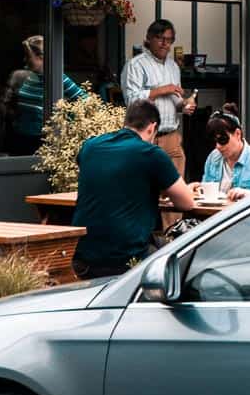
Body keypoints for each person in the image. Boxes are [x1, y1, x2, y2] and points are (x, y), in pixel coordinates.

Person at [72, 99, 196, 279]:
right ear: (152, 127)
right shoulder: (151, 153)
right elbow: (186, 203)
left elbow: (114, 178)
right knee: (183, 257)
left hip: (84, 257)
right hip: (127, 258)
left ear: (126, 122)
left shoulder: (90, 146)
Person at [121, 19, 196, 178]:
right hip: (145, 139)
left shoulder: (173, 66)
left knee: (175, 194)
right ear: (149, 38)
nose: (165, 44)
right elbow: (132, 101)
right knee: (146, 189)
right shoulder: (135, 65)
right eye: (160, 38)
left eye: (169, 40)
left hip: (171, 138)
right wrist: (162, 89)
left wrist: (185, 105)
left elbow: (175, 101)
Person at [6, 36, 87, 154]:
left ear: (41, 58)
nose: (25, 60)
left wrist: (68, 120)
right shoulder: (26, 77)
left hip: (43, 141)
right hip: (21, 137)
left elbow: (86, 101)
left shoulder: (59, 78)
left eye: (28, 56)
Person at [199, 104, 250, 199]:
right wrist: (198, 188)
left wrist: (247, 194)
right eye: (214, 141)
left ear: (237, 134)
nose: (218, 146)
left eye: (223, 140)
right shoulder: (213, 157)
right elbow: (206, 189)